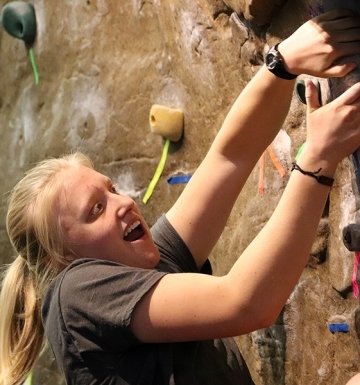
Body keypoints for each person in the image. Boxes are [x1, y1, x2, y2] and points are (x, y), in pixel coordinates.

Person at [2, 8, 360, 385]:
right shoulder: (73, 296)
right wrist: (317, 158)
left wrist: (283, 62)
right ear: (62, 259)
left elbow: (229, 157)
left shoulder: (144, 268)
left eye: (111, 190)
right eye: (96, 210)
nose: (124, 203)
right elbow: (246, 303)